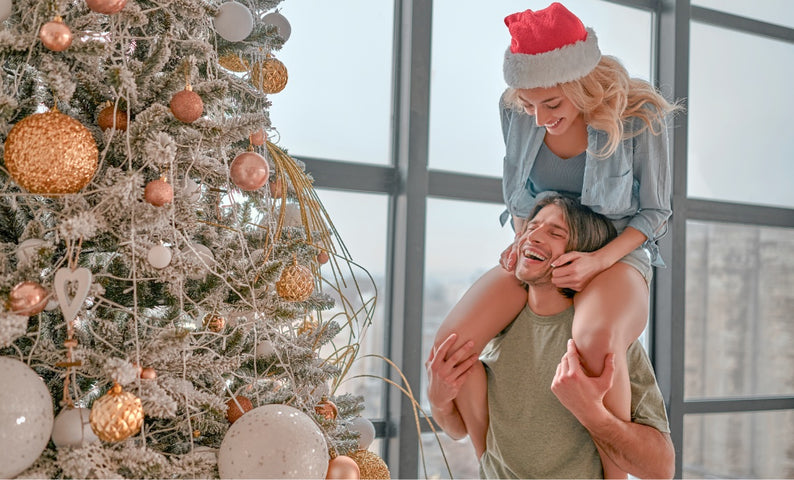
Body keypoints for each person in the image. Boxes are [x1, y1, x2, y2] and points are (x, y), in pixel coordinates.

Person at [433, 3, 679, 478]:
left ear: (582, 85)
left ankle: (612, 471)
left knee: (595, 341)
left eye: (552, 104)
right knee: (451, 344)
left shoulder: (638, 113)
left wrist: (595, 263)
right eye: (529, 104)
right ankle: (493, 464)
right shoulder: (518, 110)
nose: (539, 117)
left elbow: (654, 214)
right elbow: (521, 198)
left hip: (612, 255)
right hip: (542, 246)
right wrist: (523, 237)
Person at [426, 194, 674, 479]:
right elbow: (457, 431)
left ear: (579, 254)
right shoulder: (496, 331)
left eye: (556, 233)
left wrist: (593, 413)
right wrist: (439, 400)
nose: (534, 236)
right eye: (531, 228)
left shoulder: (605, 341)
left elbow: (661, 468)